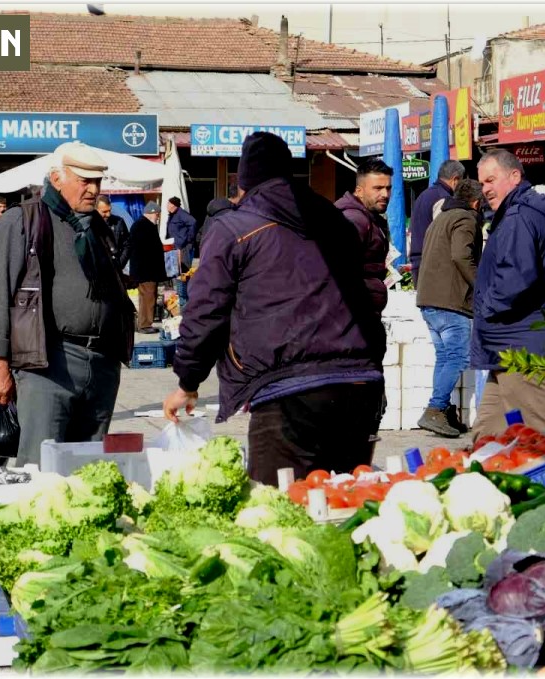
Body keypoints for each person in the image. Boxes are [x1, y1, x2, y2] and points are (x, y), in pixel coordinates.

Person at [163, 132, 385, 485]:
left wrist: (188, 381)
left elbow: (206, 311)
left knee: (279, 514)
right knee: (348, 505)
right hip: (361, 382)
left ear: (244, 181)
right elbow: (370, 290)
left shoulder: (234, 228)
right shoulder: (337, 222)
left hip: (289, 391)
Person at [0, 141, 136, 466]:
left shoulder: (97, 228)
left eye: (97, 181)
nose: (93, 189)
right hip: (49, 364)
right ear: (57, 179)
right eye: (84, 180)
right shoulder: (23, 220)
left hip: (100, 364)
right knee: (42, 472)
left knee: (89, 472)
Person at [469, 148, 545, 441]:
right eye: (482, 183)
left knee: (537, 441)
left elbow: (517, 278)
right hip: (509, 345)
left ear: (515, 176)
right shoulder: (519, 215)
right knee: (488, 438)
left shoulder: (518, 217)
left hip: (522, 344)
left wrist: (485, 307)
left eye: (491, 180)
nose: (486, 189)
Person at [415, 178, 484, 437]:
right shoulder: (466, 219)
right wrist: (480, 286)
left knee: (445, 357)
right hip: (450, 300)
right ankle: (435, 408)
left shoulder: (442, 217)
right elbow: (460, 255)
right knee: (458, 356)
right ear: (476, 202)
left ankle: (441, 412)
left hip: (430, 299)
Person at [335, 159, 393, 318]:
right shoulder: (355, 220)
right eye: (378, 188)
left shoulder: (370, 218)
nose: (385, 194)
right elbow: (337, 270)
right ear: (359, 191)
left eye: (388, 188)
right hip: (353, 317)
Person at [410, 159, 466, 285]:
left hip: (419, 262)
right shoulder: (443, 199)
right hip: (432, 268)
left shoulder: (424, 195)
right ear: (455, 179)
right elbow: (443, 237)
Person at [129, 202, 165, 335]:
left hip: (146, 270)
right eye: (157, 214)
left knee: (147, 297)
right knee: (148, 297)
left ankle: (144, 324)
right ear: (152, 213)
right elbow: (142, 251)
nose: (158, 217)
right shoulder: (143, 226)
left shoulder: (143, 225)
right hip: (146, 271)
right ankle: (145, 324)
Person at [97, 195, 131, 271]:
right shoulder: (89, 225)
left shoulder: (118, 222)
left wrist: (119, 264)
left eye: (109, 210)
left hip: (115, 268)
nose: (108, 214)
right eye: (104, 212)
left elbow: (127, 245)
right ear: (95, 210)